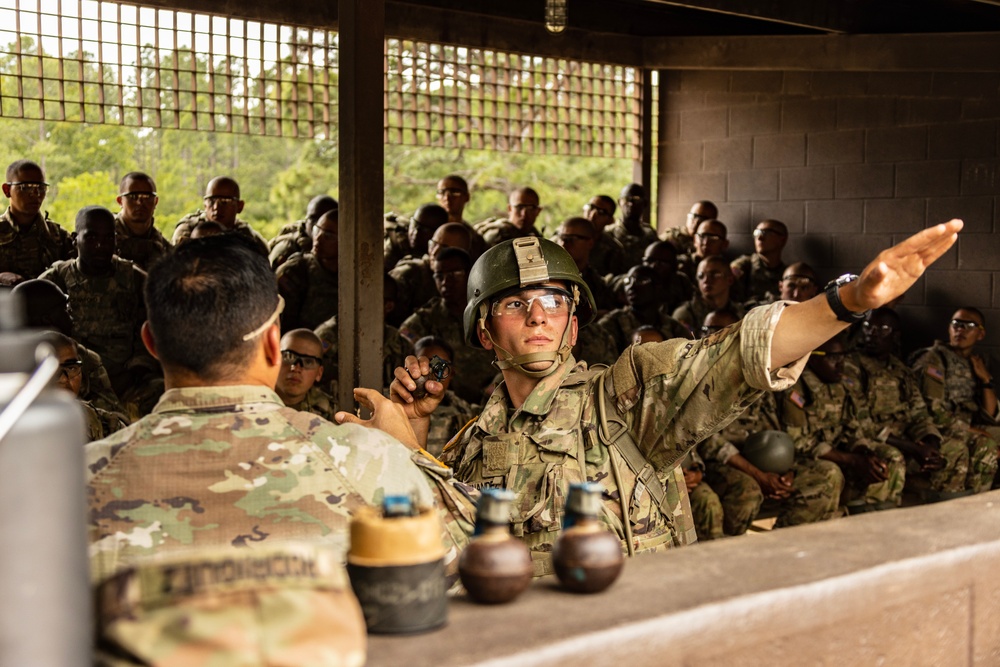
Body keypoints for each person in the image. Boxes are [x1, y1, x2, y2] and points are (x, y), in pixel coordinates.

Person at [375, 220, 961, 568]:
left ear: (574, 325)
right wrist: (413, 436)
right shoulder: (473, 441)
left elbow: (735, 354)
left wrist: (847, 301)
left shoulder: (625, 398)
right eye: (514, 303)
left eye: (555, 300)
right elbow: (433, 541)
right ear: (484, 330)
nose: (537, 315)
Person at [85, 234, 475, 586]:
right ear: (274, 343)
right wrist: (406, 449)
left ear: (151, 342)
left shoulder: (76, 478)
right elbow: (473, 543)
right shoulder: (361, 459)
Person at [39, 206, 161, 417]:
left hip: (130, 380)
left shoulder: (134, 279)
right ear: (75, 239)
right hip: (77, 379)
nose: (100, 245)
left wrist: (138, 368)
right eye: (92, 237)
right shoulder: (56, 279)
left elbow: (153, 328)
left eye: (108, 238)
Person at [852, 308, 967, 501]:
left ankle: (944, 511)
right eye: (868, 326)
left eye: (883, 329)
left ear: (895, 336)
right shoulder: (852, 366)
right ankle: (879, 512)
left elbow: (919, 413)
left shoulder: (901, 370)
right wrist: (913, 448)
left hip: (907, 439)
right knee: (892, 457)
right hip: (874, 440)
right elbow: (861, 424)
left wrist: (931, 442)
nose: (873, 333)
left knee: (955, 449)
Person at [783, 336, 905, 513]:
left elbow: (854, 426)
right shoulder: (796, 387)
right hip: (806, 457)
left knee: (888, 457)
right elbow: (800, 442)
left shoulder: (844, 384)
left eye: (843, 357)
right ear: (812, 357)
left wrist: (863, 452)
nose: (840, 364)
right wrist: (853, 460)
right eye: (832, 357)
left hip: (840, 449)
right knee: (832, 471)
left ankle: (875, 511)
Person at [911, 306, 999, 494]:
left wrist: (985, 380)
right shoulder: (933, 360)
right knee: (986, 444)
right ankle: (972, 499)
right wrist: (971, 430)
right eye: (956, 324)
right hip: (940, 429)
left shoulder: (975, 362)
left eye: (968, 325)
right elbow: (932, 411)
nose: (960, 329)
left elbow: (990, 414)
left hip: (968, 424)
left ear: (980, 334)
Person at [11, 278, 128, 418]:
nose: (72, 315)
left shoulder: (83, 358)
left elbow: (116, 420)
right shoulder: (8, 363)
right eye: (65, 309)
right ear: (47, 320)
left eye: (71, 369)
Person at [399, 247, 497, 405]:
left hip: (494, 403)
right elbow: (402, 360)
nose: (445, 282)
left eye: (454, 274)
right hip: (444, 409)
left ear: (470, 275)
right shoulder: (424, 321)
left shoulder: (491, 314)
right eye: (439, 275)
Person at [0, 159, 74, 284]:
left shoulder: (57, 236)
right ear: (7, 190)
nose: (36, 194)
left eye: (41, 187)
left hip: (48, 302)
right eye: (26, 187)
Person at [47, 332, 127, 442]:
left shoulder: (106, 425)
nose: (64, 379)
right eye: (53, 370)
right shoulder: (18, 428)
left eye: (71, 368)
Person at [390, 217, 469, 325]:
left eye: (444, 248)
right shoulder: (409, 273)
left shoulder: (468, 282)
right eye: (433, 244)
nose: (434, 252)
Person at [597, 264, 691, 354]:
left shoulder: (673, 327)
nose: (631, 286)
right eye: (627, 281)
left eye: (641, 281)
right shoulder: (612, 323)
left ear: (657, 287)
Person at [277, 209, 340, 331]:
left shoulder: (356, 276)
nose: (318, 238)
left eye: (328, 236)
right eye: (317, 230)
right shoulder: (295, 271)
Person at [413, 336, 476, 458]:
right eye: (425, 365)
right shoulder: (393, 405)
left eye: (441, 367)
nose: (432, 373)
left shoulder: (464, 412)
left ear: (451, 373)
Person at [172, 176, 269, 255]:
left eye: (224, 202)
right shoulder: (188, 230)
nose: (216, 207)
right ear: (205, 205)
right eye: (211, 201)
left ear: (240, 206)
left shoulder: (248, 235)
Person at [554, 216, 617, 315]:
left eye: (572, 239)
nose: (564, 243)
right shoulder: (550, 277)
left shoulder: (597, 284)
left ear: (590, 243)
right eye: (562, 238)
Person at [673, 255, 746, 334]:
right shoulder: (685, 314)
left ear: (730, 280)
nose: (706, 280)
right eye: (701, 276)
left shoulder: (740, 314)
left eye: (714, 275)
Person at [113, 171, 171, 271]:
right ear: (120, 201)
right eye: (133, 197)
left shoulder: (161, 246)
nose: (140, 202)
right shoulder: (105, 236)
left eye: (147, 197)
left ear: (155, 201)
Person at [275, 329, 337, 420]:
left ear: (319, 373)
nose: (296, 368)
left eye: (308, 362)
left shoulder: (328, 410)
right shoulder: (251, 401)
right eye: (288, 356)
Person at [268, 194, 338, 270]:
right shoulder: (288, 249)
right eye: (313, 219)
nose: (319, 223)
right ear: (306, 220)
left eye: (327, 218)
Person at [731, 219, 788, 303]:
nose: (760, 238)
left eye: (766, 233)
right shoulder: (744, 265)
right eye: (756, 233)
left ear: (782, 240)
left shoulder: (786, 274)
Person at [606, 183, 658, 268]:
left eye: (636, 199)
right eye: (626, 199)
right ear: (619, 202)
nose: (631, 203)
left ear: (645, 203)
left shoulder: (650, 233)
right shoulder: (609, 233)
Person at [435, 174, 485, 259]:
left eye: (454, 192)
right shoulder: (428, 229)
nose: (447, 197)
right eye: (442, 192)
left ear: (467, 197)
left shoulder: (474, 237)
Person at [475, 187, 544, 248]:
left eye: (530, 208)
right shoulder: (498, 234)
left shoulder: (536, 236)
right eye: (519, 207)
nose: (524, 214)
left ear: (538, 211)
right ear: (509, 209)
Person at [582, 195, 628, 277]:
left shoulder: (613, 249)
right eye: (591, 207)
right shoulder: (565, 237)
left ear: (610, 221)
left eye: (601, 212)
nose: (592, 215)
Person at [679, 218, 730, 282]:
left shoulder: (726, 270)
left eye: (713, 238)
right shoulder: (680, 263)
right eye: (702, 236)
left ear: (724, 244)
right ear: (695, 240)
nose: (706, 242)